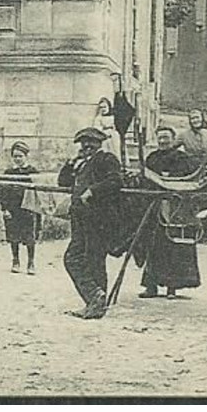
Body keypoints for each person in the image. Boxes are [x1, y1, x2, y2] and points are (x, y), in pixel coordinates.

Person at [57, 126, 126, 319]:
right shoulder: (80, 164)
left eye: (91, 143)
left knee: (94, 259)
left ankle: (96, 303)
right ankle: (95, 298)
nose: (87, 146)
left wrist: (93, 190)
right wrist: (70, 163)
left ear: (99, 143)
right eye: (83, 143)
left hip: (99, 218)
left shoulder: (107, 159)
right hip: (80, 217)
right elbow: (62, 182)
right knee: (73, 258)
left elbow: (115, 181)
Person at [139, 126, 203, 298]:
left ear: (173, 139)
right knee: (152, 246)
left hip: (176, 208)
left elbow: (187, 179)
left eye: (166, 138)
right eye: (160, 138)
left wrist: (167, 177)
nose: (162, 141)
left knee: (174, 246)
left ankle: (171, 288)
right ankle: (151, 286)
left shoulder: (182, 158)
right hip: (155, 207)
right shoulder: (152, 158)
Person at [0, 141, 41, 275]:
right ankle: (15, 261)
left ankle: (31, 262)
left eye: (20, 156)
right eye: (15, 156)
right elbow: (3, 192)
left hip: (29, 209)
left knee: (30, 236)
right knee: (13, 236)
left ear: (26, 156)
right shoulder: (9, 172)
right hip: (13, 209)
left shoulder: (33, 172)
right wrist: (5, 209)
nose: (17, 159)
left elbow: (39, 192)